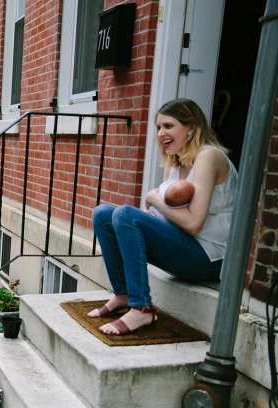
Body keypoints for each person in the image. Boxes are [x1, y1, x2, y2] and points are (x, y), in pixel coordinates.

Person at [89, 98, 238, 335]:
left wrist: (154, 199)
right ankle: (123, 294)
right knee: (103, 214)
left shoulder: (209, 156)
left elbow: (193, 223)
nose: (160, 133)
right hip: (184, 248)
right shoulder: (175, 162)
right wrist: (154, 212)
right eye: (159, 127)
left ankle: (141, 309)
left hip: (209, 257)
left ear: (191, 128)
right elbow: (167, 215)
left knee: (126, 214)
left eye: (168, 126)